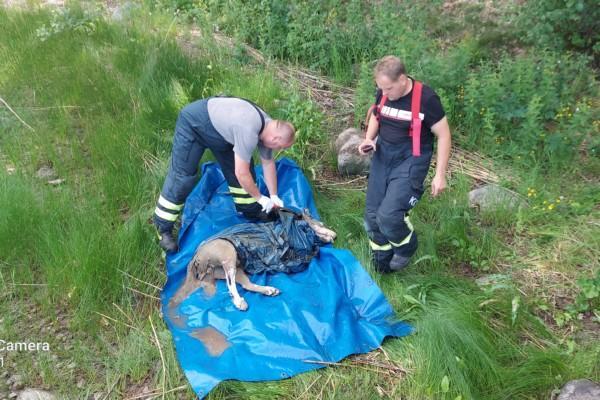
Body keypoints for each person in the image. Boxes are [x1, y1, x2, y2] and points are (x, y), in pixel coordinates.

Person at [153, 96, 295, 253]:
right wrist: (260, 198)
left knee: (240, 172)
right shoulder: (249, 130)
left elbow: (268, 163)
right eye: (279, 146)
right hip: (195, 124)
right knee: (182, 178)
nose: (277, 149)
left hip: (221, 134)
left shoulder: (268, 127)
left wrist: (274, 196)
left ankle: (250, 209)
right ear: (275, 138)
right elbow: (242, 173)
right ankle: (163, 228)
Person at [358, 56, 451, 272]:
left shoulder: (426, 99)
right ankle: (382, 262)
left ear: (402, 79)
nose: (385, 93)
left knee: (388, 215)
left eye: (388, 88)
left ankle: (406, 247)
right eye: (381, 88)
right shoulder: (383, 91)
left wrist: (440, 174)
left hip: (411, 159)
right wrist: (369, 139)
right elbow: (376, 115)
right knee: (372, 217)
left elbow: (444, 136)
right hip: (383, 155)